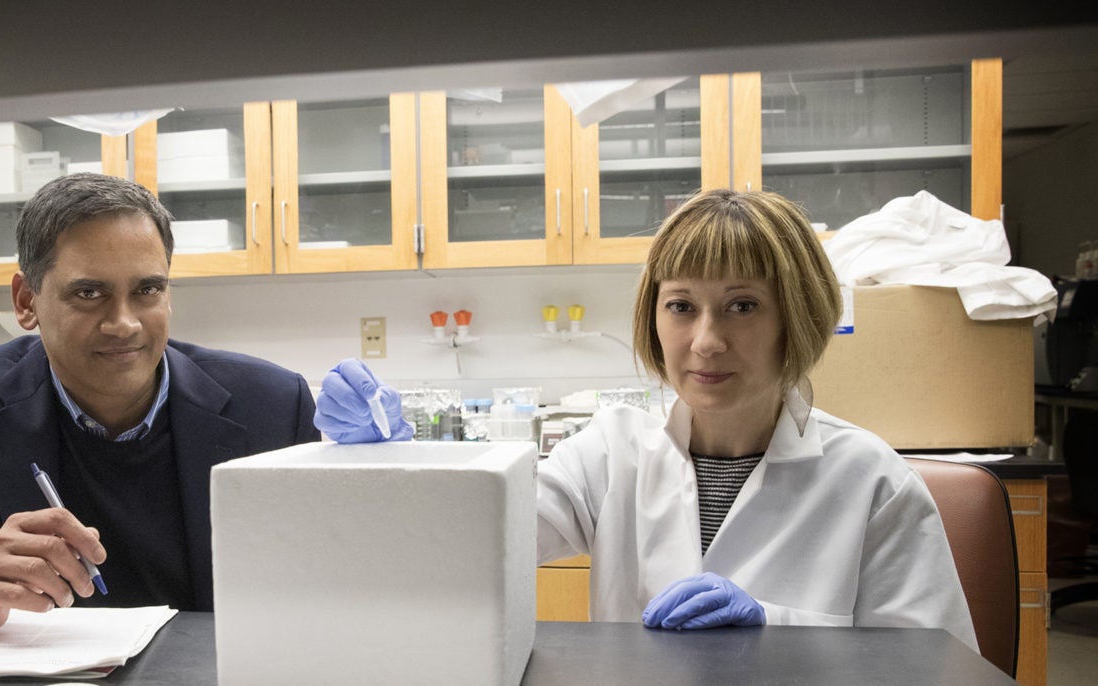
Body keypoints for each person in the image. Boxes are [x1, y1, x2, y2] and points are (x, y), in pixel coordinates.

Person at [318, 188, 977, 650]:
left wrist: (777, 634)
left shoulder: (873, 483)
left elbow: (934, 665)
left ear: (795, 316)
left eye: (743, 306)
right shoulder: (614, 451)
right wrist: (392, 463)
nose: (707, 340)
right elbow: (469, 536)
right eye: (682, 306)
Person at [0, 173, 320, 633]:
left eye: (148, 290)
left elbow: (345, 564)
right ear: (27, 301)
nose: (124, 323)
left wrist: (381, 471)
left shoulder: (270, 406)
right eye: (89, 293)